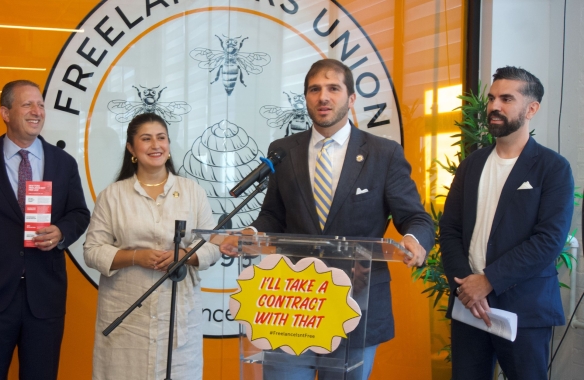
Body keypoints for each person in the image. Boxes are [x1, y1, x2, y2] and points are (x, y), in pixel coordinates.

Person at [219, 59, 434, 379]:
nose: (323, 97)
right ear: (306, 97)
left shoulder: (383, 153)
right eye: (315, 89)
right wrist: (251, 233)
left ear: (350, 99)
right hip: (293, 306)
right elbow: (273, 215)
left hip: (354, 306)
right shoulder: (283, 150)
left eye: (333, 88)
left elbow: (415, 217)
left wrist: (414, 241)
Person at [440, 67, 573, 380]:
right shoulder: (471, 164)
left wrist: (487, 280)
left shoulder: (553, 168)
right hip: (469, 307)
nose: (494, 106)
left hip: (524, 312)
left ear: (531, 109)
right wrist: (466, 286)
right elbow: (450, 230)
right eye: (491, 98)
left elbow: (548, 240)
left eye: (506, 98)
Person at [0, 80, 90, 380]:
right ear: (5, 112)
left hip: (44, 296)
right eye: (27, 104)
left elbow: (79, 213)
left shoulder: (63, 163)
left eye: (41, 105)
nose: (37, 111)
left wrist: (61, 232)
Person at [83, 112, 220, 380]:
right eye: (146, 139)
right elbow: (92, 251)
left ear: (169, 145)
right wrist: (136, 257)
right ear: (132, 148)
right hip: (126, 313)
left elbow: (213, 245)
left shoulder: (193, 192)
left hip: (178, 317)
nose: (155, 145)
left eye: (161, 138)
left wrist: (185, 255)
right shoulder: (112, 195)